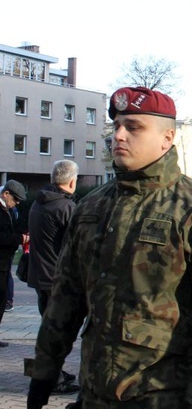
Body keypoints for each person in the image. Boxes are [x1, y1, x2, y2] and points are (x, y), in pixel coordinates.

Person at [27, 87, 192, 409]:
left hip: (161, 395)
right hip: (95, 391)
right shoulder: (92, 207)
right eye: (116, 126)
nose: (118, 135)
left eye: (133, 127)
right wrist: (42, 374)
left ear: (167, 137)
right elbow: (65, 298)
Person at [26, 159, 81, 393]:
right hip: (57, 278)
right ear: (72, 181)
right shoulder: (65, 207)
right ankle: (53, 379)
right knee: (56, 331)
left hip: (40, 276)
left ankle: (54, 372)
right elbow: (77, 243)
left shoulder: (38, 203)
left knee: (49, 327)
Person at [0, 180, 29, 347]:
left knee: (2, 300)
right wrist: (20, 238)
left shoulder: (8, 210)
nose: (16, 203)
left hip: (4, 263)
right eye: (15, 199)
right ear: (6, 194)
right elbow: (2, 237)